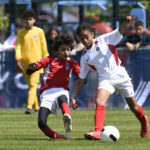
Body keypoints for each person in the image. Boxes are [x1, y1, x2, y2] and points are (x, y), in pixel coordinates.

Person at [71, 16, 149, 140]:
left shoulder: (104, 40)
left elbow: (120, 31)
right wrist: (74, 96)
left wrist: (126, 22)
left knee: (134, 107)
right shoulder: (84, 57)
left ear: (92, 34)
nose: (85, 40)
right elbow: (81, 79)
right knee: (99, 101)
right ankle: (97, 132)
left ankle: (144, 121)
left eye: (87, 37)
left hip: (120, 75)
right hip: (105, 80)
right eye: (82, 39)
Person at [26, 33, 80, 139]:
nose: (66, 52)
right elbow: (34, 68)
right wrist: (32, 67)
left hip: (62, 90)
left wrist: (74, 97)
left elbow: (81, 77)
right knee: (41, 123)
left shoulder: (72, 62)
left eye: (68, 49)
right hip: (47, 94)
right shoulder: (49, 60)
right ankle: (57, 136)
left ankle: (67, 116)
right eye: (63, 49)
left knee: (63, 98)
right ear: (56, 51)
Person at [15, 9, 49, 114]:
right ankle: (37, 107)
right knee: (30, 85)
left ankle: (29, 107)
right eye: (26, 20)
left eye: (30, 19)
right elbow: (18, 46)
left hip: (37, 64)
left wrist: (46, 60)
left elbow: (44, 47)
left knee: (33, 84)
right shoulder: (20, 33)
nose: (28, 22)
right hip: (25, 63)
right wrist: (18, 60)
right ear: (23, 21)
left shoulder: (39, 32)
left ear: (34, 20)